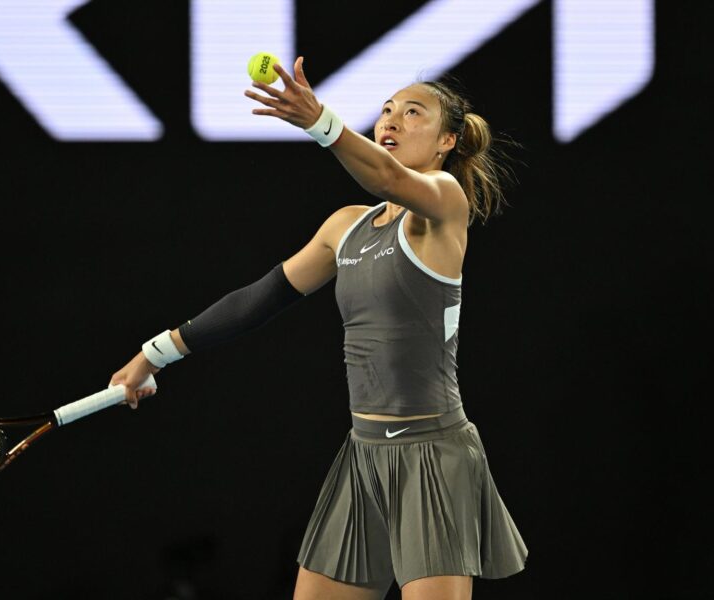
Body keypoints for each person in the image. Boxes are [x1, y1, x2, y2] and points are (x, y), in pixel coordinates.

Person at [110, 56, 529, 600]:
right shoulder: (344, 227)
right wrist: (155, 354)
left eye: (413, 112)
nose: (392, 121)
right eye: (386, 111)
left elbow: (386, 175)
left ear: (448, 141)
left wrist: (318, 121)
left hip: (434, 456)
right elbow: (256, 301)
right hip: (363, 456)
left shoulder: (445, 201)